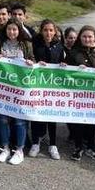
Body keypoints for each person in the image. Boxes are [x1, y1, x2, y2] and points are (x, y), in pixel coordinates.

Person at [65, 25, 95, 162]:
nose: (87, 39)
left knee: (91, 121)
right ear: (80, 38)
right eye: (84, 36)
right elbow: (65, 71)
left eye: (90, 36)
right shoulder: (74, 53)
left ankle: (91, 145)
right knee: (78, 121)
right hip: (78, 94)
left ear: (94, 37)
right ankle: (78, 146)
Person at [0, 18, 34, 165]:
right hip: (2, 89)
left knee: (19, 120)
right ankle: (5, 148)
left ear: (19, 30)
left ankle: (19, 150)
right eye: (9, 29)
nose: (12, 32)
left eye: (15, 29)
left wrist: (30, 63)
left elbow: (33, 61)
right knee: (2, 119)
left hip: (20, 89)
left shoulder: (26, 44)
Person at [28, 19, 65, 160]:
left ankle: (53, 144)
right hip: (38, 85)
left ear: (55, 31)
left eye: (51, 30)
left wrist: (63, 64)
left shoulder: (59, 46)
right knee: (36, 114)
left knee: (51, 115)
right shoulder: (35, 44)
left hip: (53, 87)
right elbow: (30, 59)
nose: (48, 33)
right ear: (41, 31)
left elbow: (63, 61)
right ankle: (36, 142)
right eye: (45, 30)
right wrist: (37, 64)